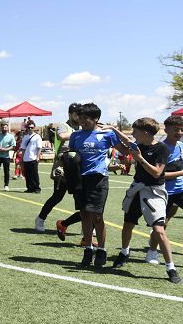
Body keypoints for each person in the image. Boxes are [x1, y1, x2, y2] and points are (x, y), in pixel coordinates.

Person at [106, 118, 177, 282]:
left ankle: (171, 267)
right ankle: (124, 252)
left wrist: (139, 158)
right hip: (137, 189)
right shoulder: (139, 144)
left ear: (145, 133)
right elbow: (125, 139)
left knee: (159, 230)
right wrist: (112, 128)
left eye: (135, 131)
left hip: (154, 192)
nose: (132, 134)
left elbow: (157, 173)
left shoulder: (161, 148)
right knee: (128, 224)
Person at [67, 102, 119, 268]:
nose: (82, 121)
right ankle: (88, 249)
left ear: (96, 118)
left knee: (97, 215)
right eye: (80, 118)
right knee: (84, 214)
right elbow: (72, 157)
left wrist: (116, 131)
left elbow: (125, 150)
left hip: (98, 178)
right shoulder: (75, 136)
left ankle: (102, 250)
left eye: (86, 119)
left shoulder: (107, 135)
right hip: (80, 179)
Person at [36, 104, 81, 232]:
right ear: (70, 114)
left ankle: (88, 226)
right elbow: (61, 136)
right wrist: (80, 134)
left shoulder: (81, 127)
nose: (79, 116)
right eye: (76, 113)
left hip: (77, 167)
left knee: (80, 198)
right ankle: (40, 219)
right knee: (57, 197)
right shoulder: (63, 126)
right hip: (63, 166)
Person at [145, 116, 183, 264]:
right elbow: (158, 174)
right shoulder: (161, 148)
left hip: (180, 190)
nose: (179, 132)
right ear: (166, 130)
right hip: (163, 192)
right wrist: (180, 173)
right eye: (175, 129)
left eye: (181, 129)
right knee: (161, 225)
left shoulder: (180, 146)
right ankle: (152, 252)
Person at [19, 120, 42, 193]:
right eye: (29, 127)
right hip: (26, 158)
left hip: (33, 158)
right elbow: (23, 148)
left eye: (32, 127)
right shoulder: (25, 137)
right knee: (27, 174)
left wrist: (37, 157)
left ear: (34, 128)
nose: (30, 129)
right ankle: (29, 188)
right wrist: (21, 158)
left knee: (34, 174)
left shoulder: (37, 136)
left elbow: (39, 147)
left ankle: (37, 188)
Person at [0, 122, 15, 190]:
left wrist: (6, 149)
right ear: (1, 128)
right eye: (3, 127)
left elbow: (13, 146)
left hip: (6, 157)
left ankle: (6, 185)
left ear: (7, 128)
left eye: (5, 127)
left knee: (6, 171)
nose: (4, 128)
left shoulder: (11, 136)